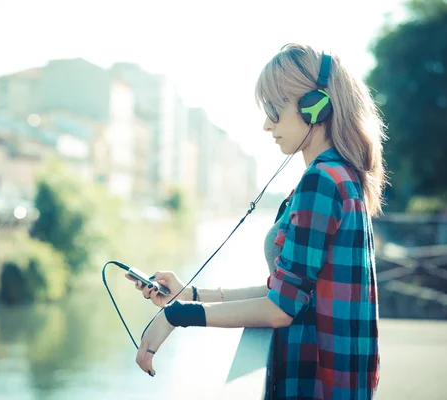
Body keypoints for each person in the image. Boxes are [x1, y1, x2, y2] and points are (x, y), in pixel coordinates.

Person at [125, 43, 387, 400]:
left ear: (315, 106)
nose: (266, 124)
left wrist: (177, 315)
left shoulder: (322, 182)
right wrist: (190, 294)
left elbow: (281, 309)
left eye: (274, 110)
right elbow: (289, 291)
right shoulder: (338, 176)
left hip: (316, 387)